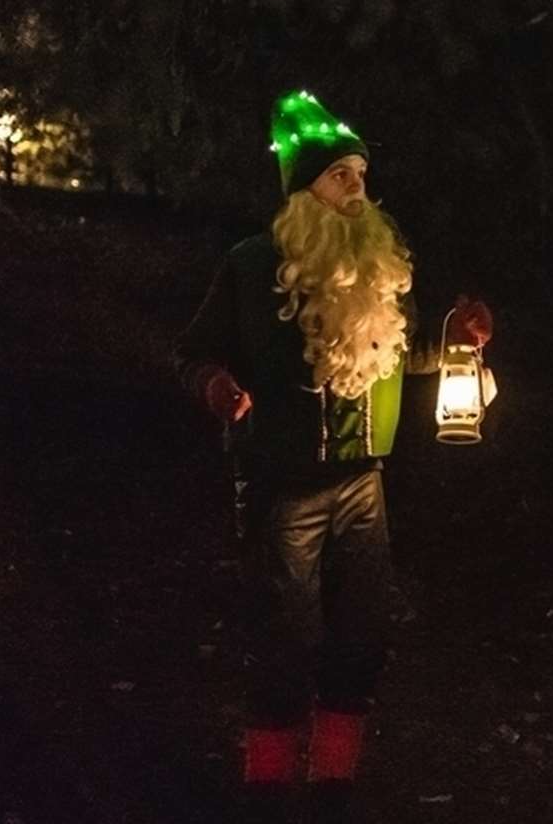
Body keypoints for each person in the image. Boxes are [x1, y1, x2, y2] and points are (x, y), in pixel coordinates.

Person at [175, 90, 492, 824]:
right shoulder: (253, 266)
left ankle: (333, 792)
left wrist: (459, 340)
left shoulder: (381, 265)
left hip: (363, 485)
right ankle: (265, 794)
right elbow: (192, 352)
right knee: (282, 643)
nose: (358, 189)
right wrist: (217, 385)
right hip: (282, 484)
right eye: (341, 176)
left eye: (360, 174)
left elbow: (398, 357)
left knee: (361, 637)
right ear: (306, 191)